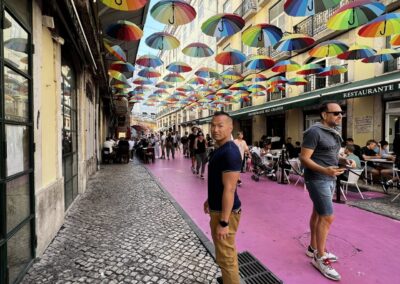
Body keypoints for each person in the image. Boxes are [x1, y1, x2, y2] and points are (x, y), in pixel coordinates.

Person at [300, 102, 351, 281]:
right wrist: (325, 170)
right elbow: (304, 158)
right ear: (324, 115)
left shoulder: (333, 132)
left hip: (329, 178)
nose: (340, 115)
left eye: (341, 112)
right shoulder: (314, 131)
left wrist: (344, 161)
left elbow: (330, 154)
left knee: (318, 213)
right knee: (327, 216)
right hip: (317, 178)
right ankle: (320, 258)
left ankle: (313, 248)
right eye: (336, 113)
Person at [204, 111, 242, 284]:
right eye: (213, 125)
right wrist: (209, 199)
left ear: (230, 127)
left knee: (226, 259)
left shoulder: (230, 152)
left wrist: (224, 223)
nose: (215, 129)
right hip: (218, 208)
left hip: (225, 213)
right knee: (226, 254)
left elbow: (230, 189)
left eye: (220, 125)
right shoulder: (221, 149)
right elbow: (218, 183)